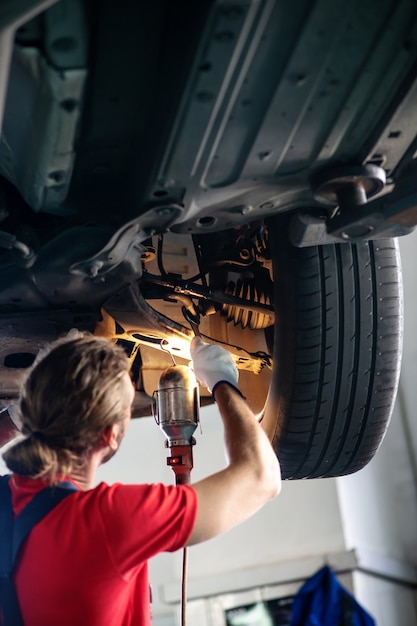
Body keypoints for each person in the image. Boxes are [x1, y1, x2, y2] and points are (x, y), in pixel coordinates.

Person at [0, 334, 281, 626]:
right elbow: (262, 477)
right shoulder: (106, 520)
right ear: (109, 436)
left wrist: (17, 417)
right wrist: (222, 382)